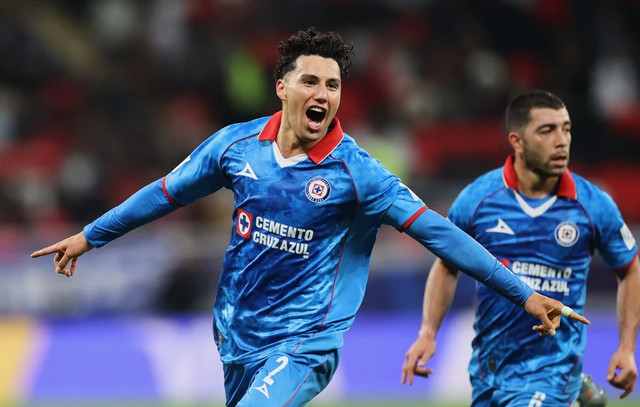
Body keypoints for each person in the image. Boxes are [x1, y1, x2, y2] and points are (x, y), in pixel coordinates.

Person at [31, 29, 588, 407]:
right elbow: (164, 194)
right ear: (283, 88)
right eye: (311, 82)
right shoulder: (235, 147)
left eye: (333, 85)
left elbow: (439, 233)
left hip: (304, 343)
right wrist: (90, 237)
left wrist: (522, 294)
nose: (324, 94)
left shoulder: (359, 175)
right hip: (237, 336)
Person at [401, 90, 639, 406]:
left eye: (566, 129)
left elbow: (630, 269)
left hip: (552, 370)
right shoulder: (478, 199)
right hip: (489, 369)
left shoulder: (594, 204)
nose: (562, 141)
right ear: (517, 141)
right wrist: (428, 333)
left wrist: (627, 347)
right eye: (547, 130)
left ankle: (571, 392)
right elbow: (446, 265)